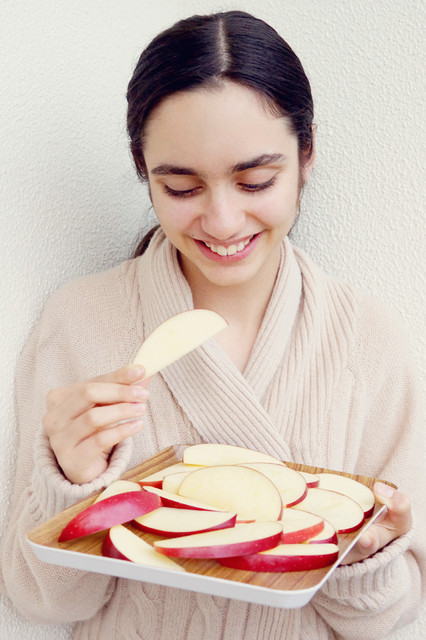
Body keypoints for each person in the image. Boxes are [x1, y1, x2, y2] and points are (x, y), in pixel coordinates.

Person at [1, 10, 424, 640]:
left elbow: (388, 619)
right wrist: (73, 487)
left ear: (307, 154)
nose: (223, 222)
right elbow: (39, 602)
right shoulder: (80, 320)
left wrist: (363, 558)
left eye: (255, 181)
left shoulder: (369, 339)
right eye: (181, 187)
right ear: (143, 169)